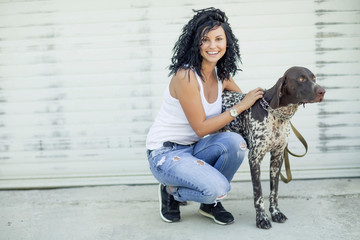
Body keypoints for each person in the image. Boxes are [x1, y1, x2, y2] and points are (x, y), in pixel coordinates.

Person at [146, 7, 264, 225]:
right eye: (205, 39)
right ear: (196, 43)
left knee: (236, 143)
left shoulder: (222, 75)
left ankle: (209, 204)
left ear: (227, 43)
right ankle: (172, 191)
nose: (212, 46)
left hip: (195, 149)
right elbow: (201, 127)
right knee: (219, 188)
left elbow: (245, 110)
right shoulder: (186, 76)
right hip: (166, 153)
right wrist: (241, 104)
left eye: (218, 39)